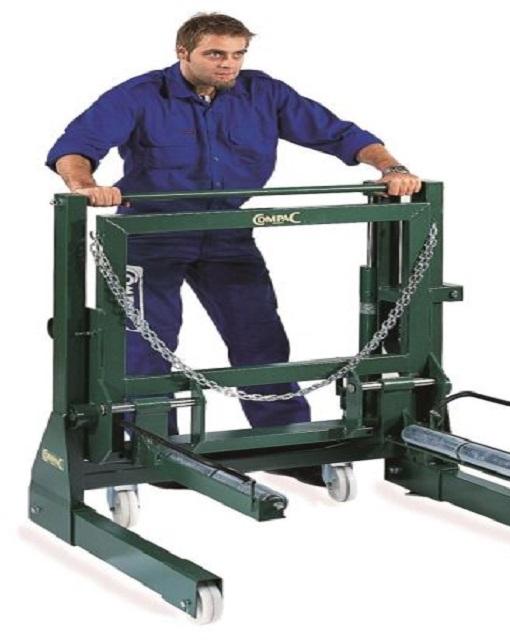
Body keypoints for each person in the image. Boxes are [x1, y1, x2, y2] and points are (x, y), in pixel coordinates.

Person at [46, 13, 421, 486]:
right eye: (215, 54)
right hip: (149, 234)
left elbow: (341, 134)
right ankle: (154, 446)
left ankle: (286, 443)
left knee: (260, 338)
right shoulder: (140, 95)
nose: (228, 64)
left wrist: (391, 168)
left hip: (227, 232)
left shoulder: (264, 93)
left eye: (237, 54)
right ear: (183, 52)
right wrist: (84, 185)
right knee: (147, 343)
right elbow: (75, 147)